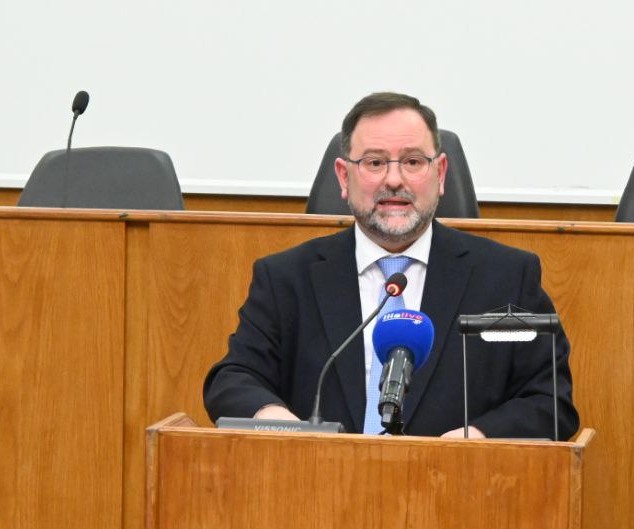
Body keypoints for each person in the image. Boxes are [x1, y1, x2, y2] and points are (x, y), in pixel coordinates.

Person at [203, 92, 579, 439]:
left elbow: (550, 402)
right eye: (375, 162)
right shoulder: (287, 279)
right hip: (320, 482)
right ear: (344, 177)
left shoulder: (506, 278)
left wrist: (475, 439)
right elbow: (233, 379)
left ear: (440, 174)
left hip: (459, 482)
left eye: (413, 162)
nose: (394, 180)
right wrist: (277, 421)